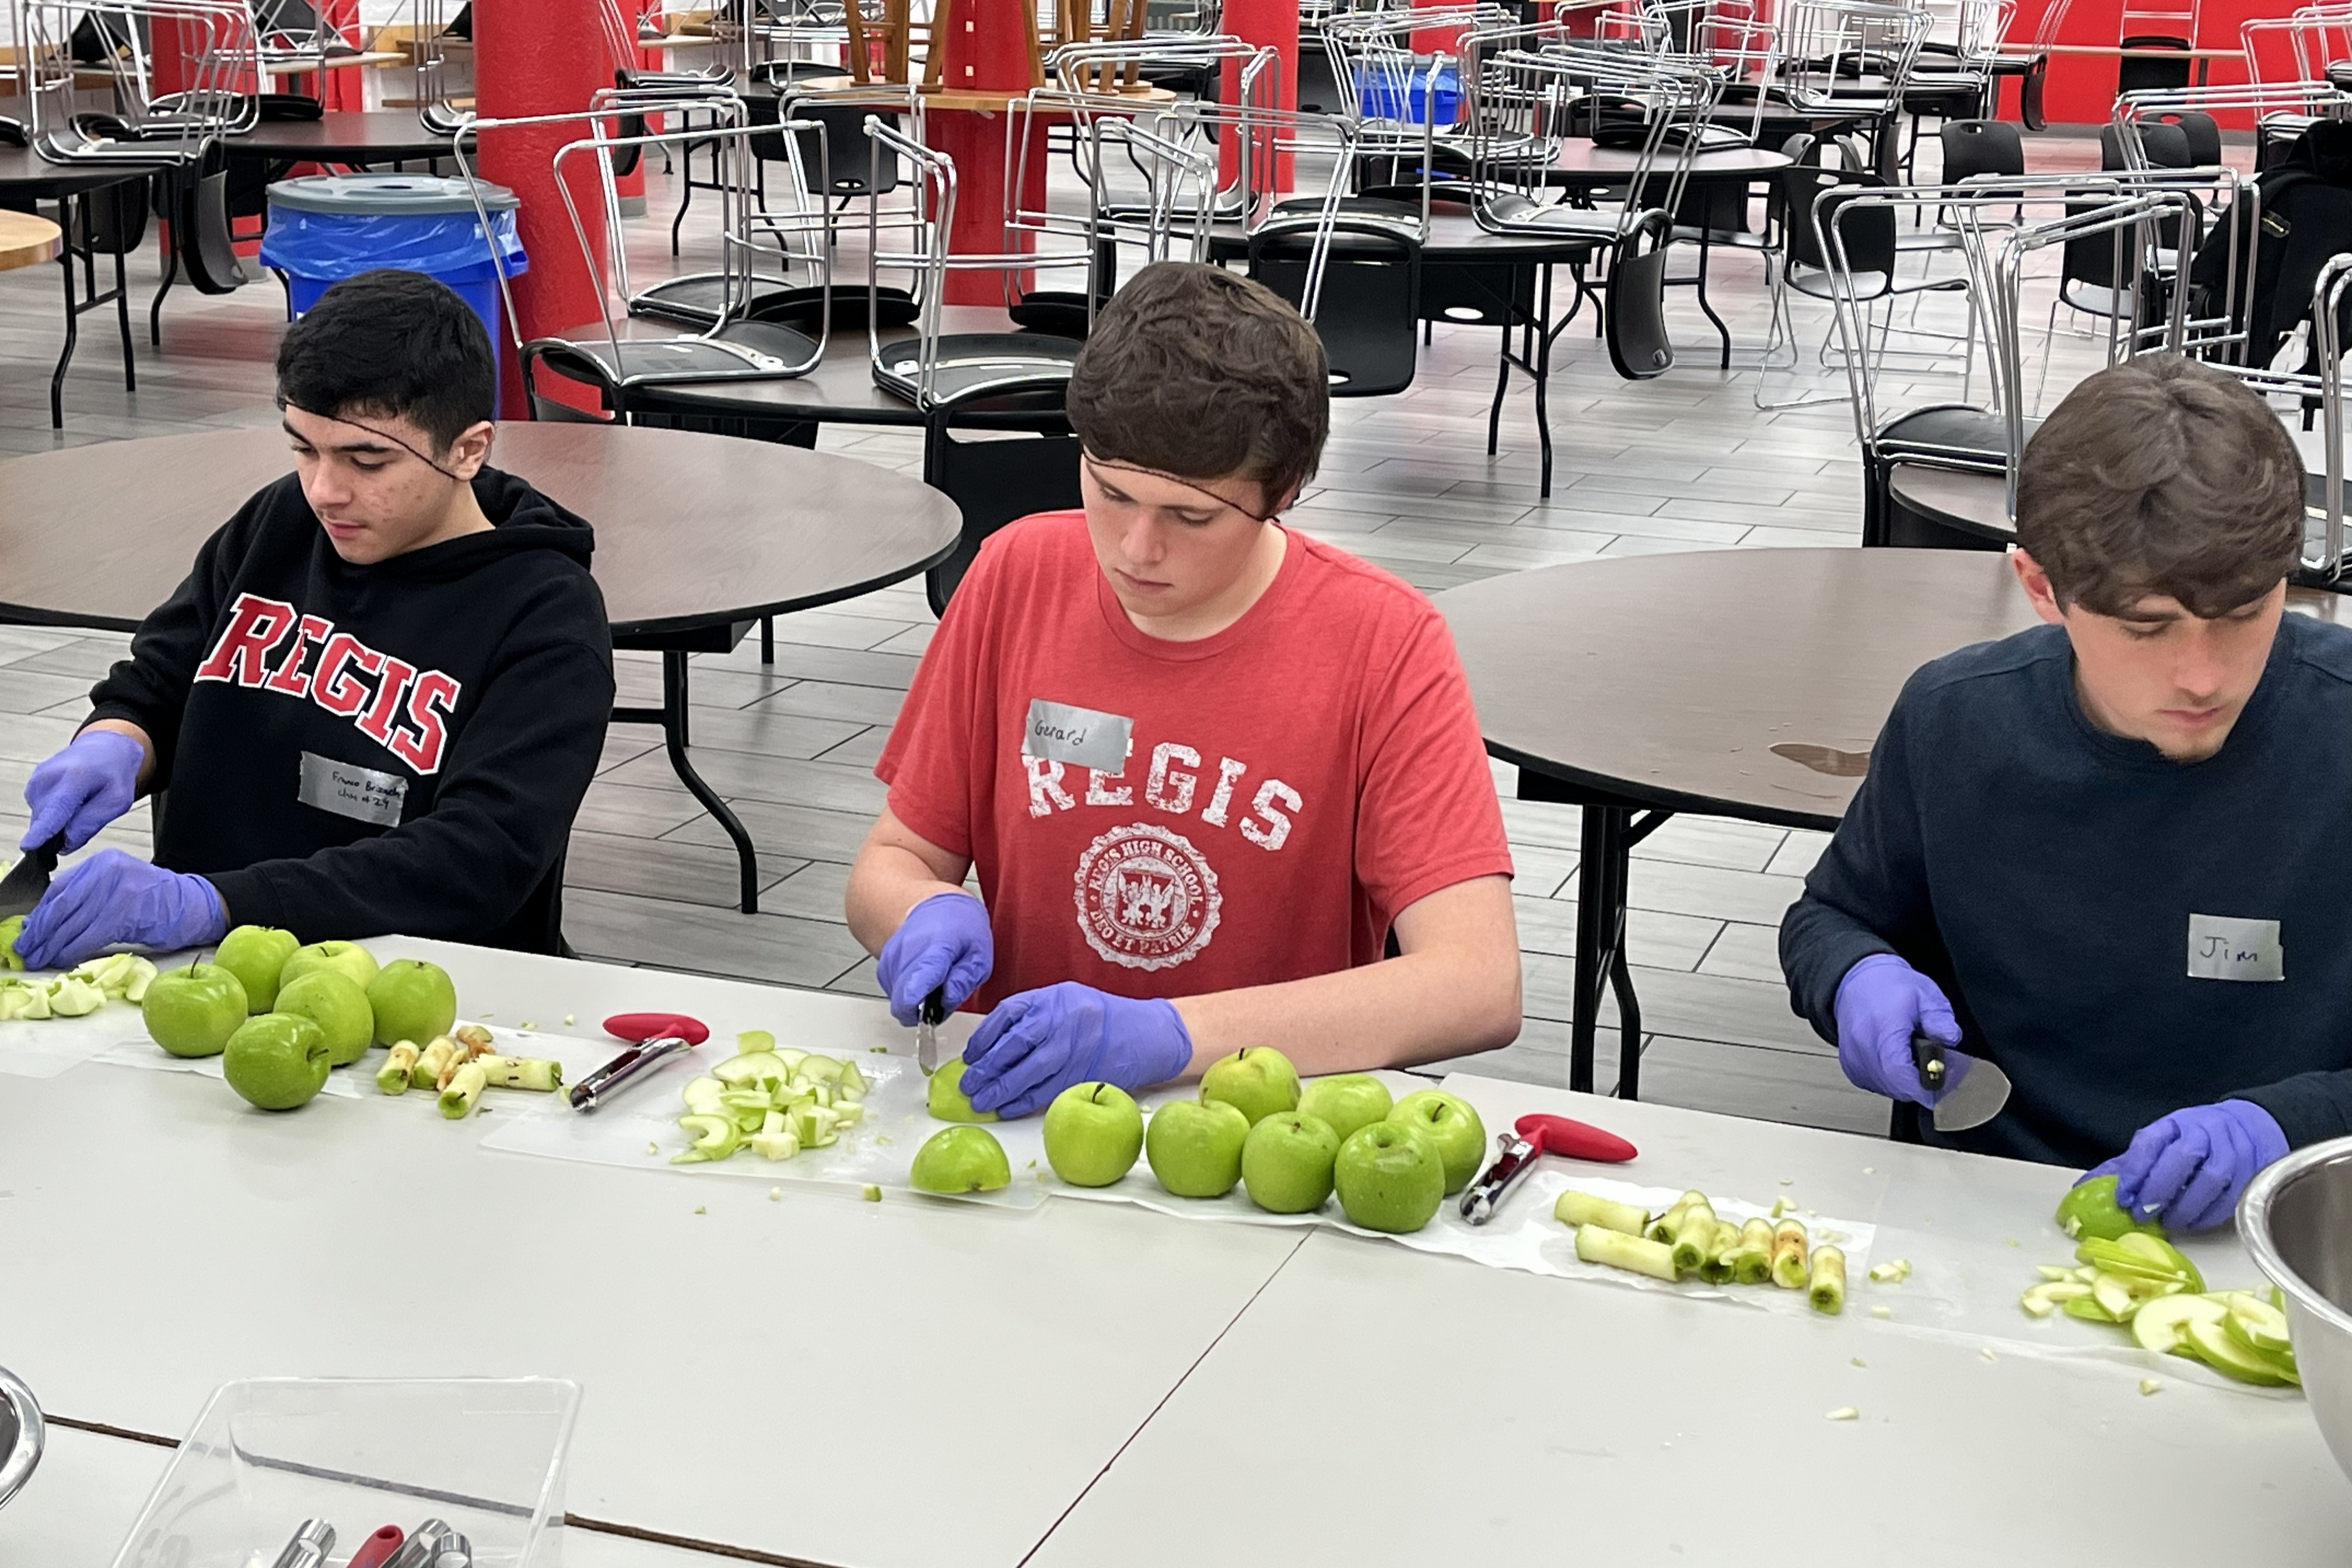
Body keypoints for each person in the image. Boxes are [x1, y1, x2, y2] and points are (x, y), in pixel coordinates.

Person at [844, 261, 1521, 1118]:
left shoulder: (1382, 642)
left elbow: (1478, 983)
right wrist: (917, 912)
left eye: (1190, 517)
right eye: (1109, 490)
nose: (1134, 548)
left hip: (1266, 1132)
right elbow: (893, 860)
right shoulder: (1018, 576)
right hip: (1018, 1113)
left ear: (1284, 493)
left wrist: (1172, 1037)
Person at [1781, 355, 2350, 1228]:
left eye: (2243, 614)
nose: (2202, 676)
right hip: (1993, 1208)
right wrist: (1854, 974)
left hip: (2294, 1223)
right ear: (2042, 588)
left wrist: (2292, 1124)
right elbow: (1832, 914)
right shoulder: (1956, 719)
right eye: (2146, 628)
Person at [13, 270, 614, 968]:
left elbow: (478, 860)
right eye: (304, 448)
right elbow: (161, 675)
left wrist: (214, 903)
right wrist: (119, 741)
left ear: (469, 449)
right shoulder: (281, 522)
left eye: (367, 460)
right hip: (194, 973)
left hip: (417, 993)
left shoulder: (547, 615)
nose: (326, 491)